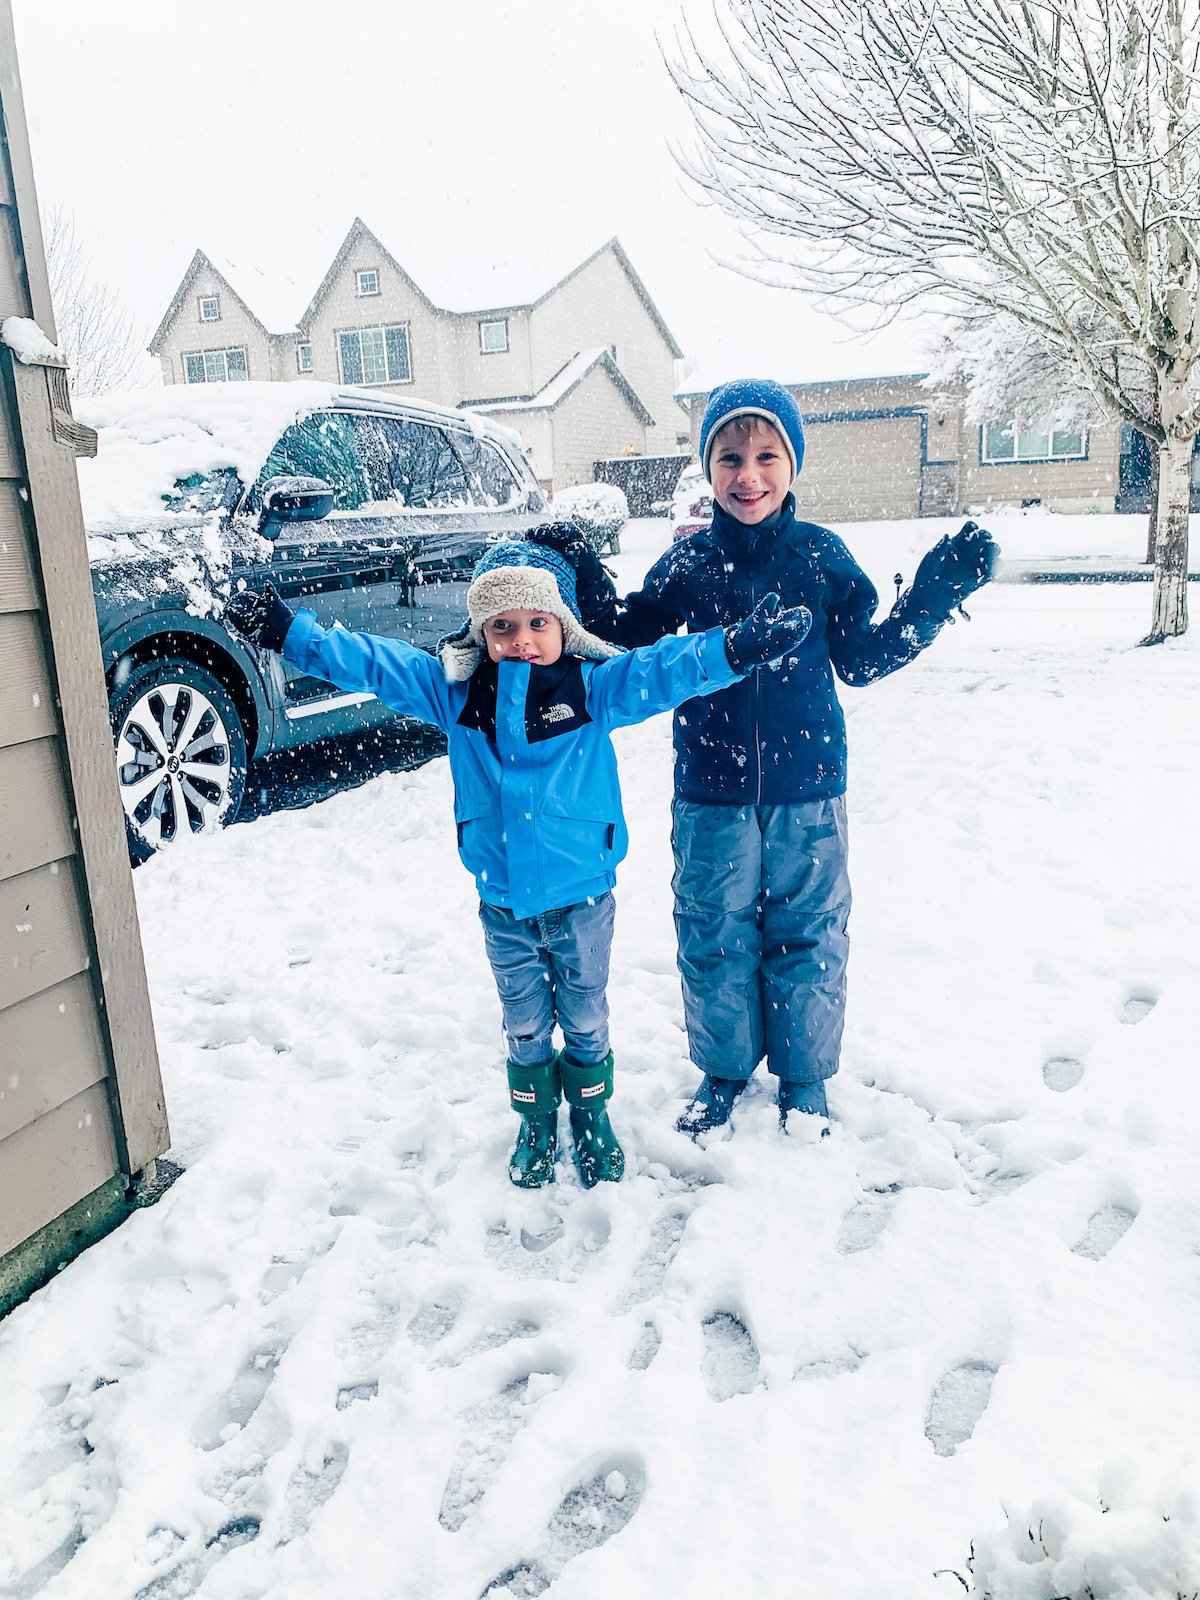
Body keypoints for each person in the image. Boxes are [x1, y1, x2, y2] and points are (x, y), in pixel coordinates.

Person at [221, 532, 813, 1188]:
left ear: (564, 626)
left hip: (583, 895)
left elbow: (661, 670)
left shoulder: (593, 689)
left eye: (537, 623)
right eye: (501, 626)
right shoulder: (454, 693)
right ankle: (535, 1120)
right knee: (524, 1022)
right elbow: (374, 663)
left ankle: (591, 1113)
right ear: (480, 633)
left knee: (585, 1015)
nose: (521, 640)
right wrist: (289, 632)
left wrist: (732, 649)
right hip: (502, 900)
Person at [569, 378, 999, 1137]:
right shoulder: (688, 563)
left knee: (811, 931)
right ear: (709, 468)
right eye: (730, 458)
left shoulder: (821, 557)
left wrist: (929, 602)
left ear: (792, 464)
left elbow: (860, 659)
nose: (748, 475)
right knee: (714, 932)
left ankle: (805, 1077)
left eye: (767, 456)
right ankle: (724, 1069)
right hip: (711, 785)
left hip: (809, 784)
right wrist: (579, 577)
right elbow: (624, 638)